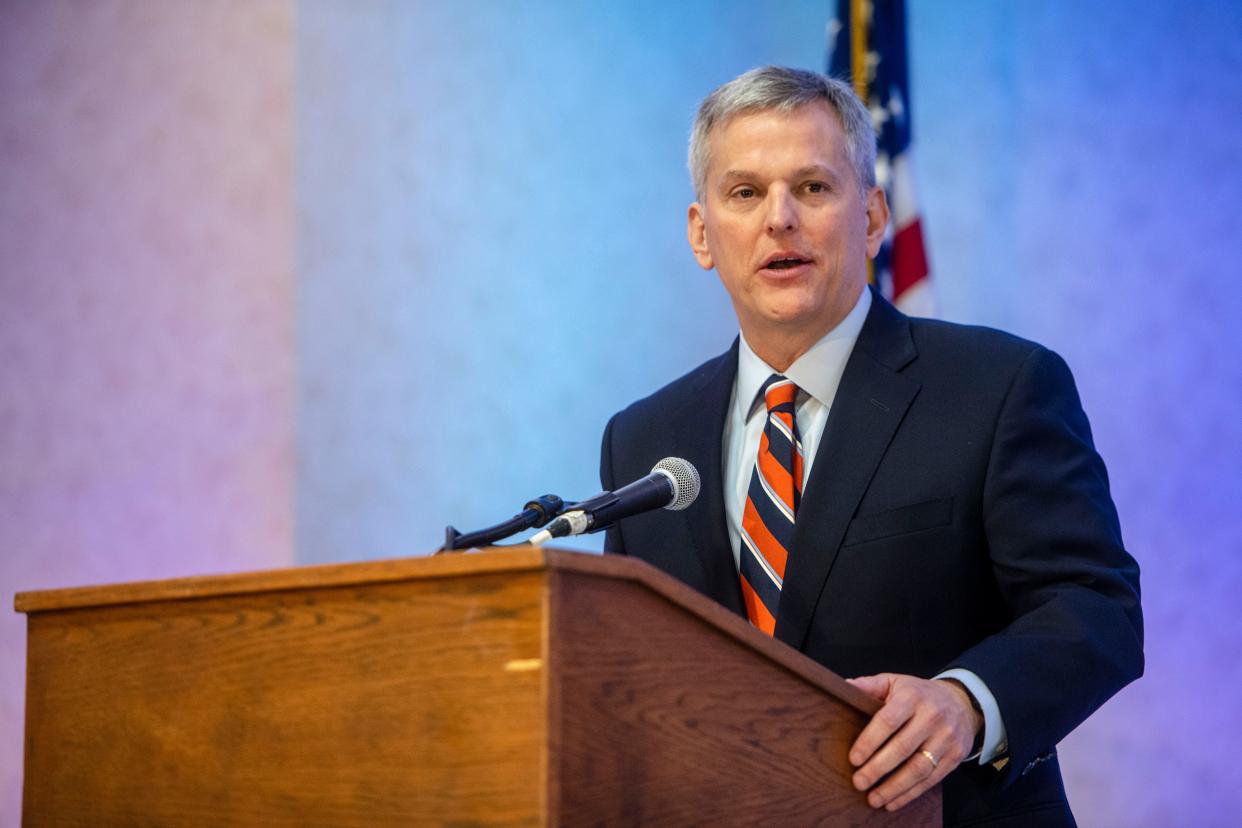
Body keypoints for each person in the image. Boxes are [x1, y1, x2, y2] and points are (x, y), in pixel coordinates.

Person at [599, 66, 1142, 826]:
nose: (779, 218)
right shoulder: (643, 442)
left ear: (873, 216)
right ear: (702, 234)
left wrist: (966, 703)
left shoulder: (999, 386)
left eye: (814, 188)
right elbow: (630, 675)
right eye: (745, 193)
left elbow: (1096, 608)